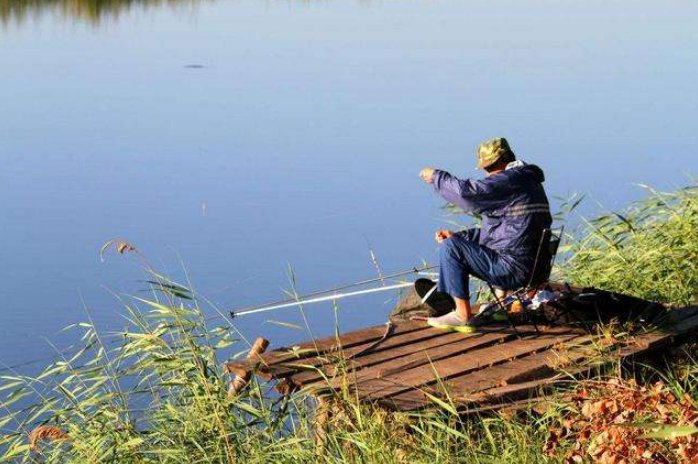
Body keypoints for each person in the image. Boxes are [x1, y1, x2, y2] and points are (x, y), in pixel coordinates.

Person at [419, 137, 552, 332]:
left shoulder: (510, 180)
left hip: (513, 269)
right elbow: (505, 231)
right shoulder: (528, 182)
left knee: (451, 248)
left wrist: (437, 177)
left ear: (503, 160)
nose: (488, 173)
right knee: (456, 242)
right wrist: (460, 237)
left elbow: (468, 194)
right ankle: (502, 304)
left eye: (490, 167)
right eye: (486, 168)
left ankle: (462, 315)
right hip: (533, 270)